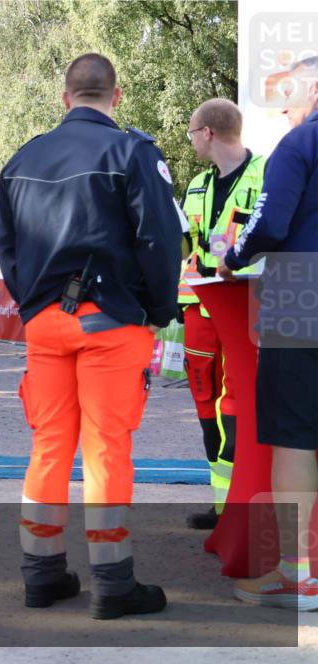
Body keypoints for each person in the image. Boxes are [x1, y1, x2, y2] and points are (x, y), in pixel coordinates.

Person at [0, 53, 182, 619]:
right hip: (112, 321)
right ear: (116, 96)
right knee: (106, 450)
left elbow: (6, 247)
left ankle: (42, 574)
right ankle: (112, 582)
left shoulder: (22, 159)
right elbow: (160, 238)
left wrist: (36, 304)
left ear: (65, 97)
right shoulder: (133, 152)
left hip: (45, 324)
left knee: (49, 446)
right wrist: (158, 309)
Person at [219, 56, 318, 610]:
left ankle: (299, 576)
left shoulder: (300, 144)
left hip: (303, 305)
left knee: (295, 439)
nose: (282, 106)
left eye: (289, 94)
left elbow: (270, 221)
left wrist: (233, 255)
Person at [177, 99, 267, 530]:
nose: (191, 140)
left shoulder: (265, 174)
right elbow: (189, 248)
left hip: (246, 305)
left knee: (235, 403)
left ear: (208, 132)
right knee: (203, 401)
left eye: (192, 132)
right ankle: (220, 505)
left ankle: (239, 506)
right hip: (200, 306)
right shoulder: (196, 184)